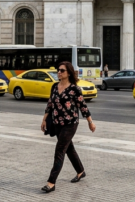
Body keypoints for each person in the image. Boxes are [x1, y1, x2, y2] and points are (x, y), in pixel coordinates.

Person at [40, 61, 95, 193]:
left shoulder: (74, 89)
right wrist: (44, 119)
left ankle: (51, 182)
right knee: (69, 148)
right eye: (58, 70)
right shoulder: (54, 86)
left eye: (62, 70)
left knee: (60, 150)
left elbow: (83, 106)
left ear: (69, 73)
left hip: (70, 124)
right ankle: (80, 171)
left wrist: (90, 122)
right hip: (57, 123)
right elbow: (50, 104)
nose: (59, 72)